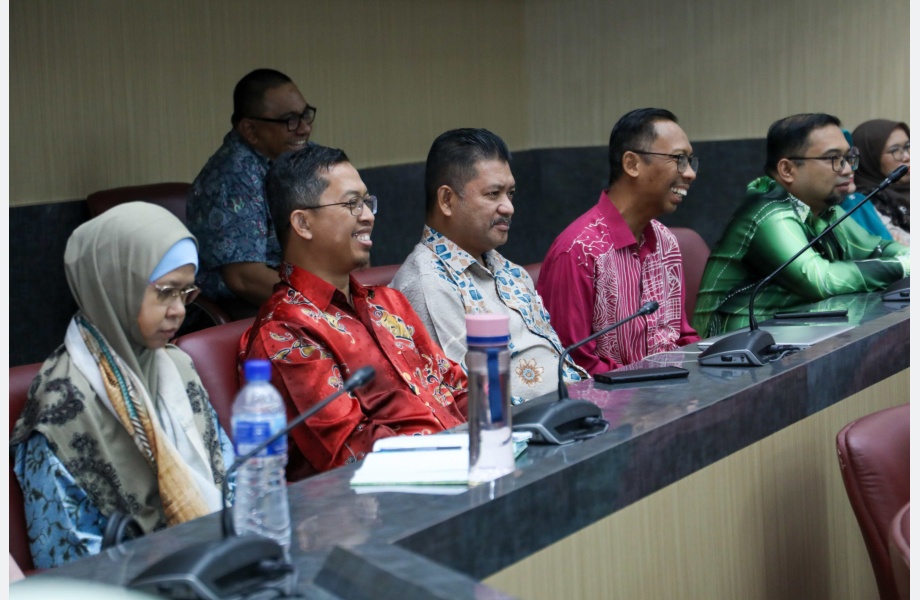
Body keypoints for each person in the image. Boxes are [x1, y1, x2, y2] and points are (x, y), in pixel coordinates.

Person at [10, 203, 234, 569]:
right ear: (115, 286)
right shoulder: (63, 406)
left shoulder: (177, 365)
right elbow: (67, 563)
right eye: (166, 292)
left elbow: (229, 475)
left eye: (186, 293)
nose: (179, 310)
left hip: (218, 561)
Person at [239, 144, 468, 480]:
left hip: (461, 466)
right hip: (389, 496)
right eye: (352, 204)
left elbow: (456, 389)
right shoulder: (285, 332)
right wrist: (458, 455)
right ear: (303, 223)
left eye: (367, 202)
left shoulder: (387, 303)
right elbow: (351, 451)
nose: (368, 216)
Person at [390, 128, 587, 404]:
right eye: (493, 194)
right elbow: (470, 401)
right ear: (447, 200)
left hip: (574, 407)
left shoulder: (509, 269)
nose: (508, 208)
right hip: (527, 425)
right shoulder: (428, 283)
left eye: (510, 193)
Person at [694, 113, 910, 337]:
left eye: (848, 158)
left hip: (791, 332)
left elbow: (876, 248)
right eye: (833, 158)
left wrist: (908, 257)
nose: (847, 169)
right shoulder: (768, 214)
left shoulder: (823, 208)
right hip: (731, 344)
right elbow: (820, 279)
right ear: (787, 170)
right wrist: (903, 266)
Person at [536, 108, 701, 375]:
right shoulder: (578, 251)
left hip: (674, 390)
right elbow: (574, 365)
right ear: (632, 164)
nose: (690, 173)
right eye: (679, 159)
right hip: (615, 398)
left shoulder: (666, 242)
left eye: (690, 161)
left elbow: (681, 338)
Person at [187, 69, 316, 317]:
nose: (304, 129)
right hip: (247, 309)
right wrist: (323, 304)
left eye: (305, 115)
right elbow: (245, 278)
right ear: (251, 130)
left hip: (306, 291)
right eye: (290, 120)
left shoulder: (308, 158)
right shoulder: (231, 178)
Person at [840, 119, 910, 245]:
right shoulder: (864, 200)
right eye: (895, 150)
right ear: (870, 157)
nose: (907, 157)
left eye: (908, 146)